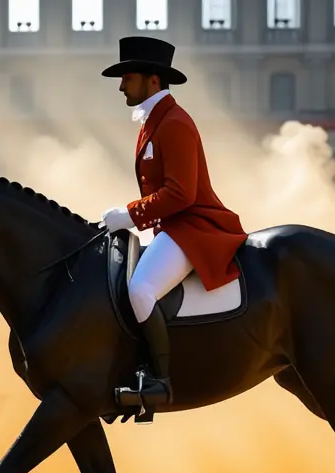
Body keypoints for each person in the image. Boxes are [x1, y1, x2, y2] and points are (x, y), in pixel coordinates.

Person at [99, 36, 247, 413]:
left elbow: (180, 194)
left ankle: (158, 381)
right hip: (171, 227)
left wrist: (130, 214)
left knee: (141, 289)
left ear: (152, 80)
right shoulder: (154, 122)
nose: (120, 87)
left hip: (193, 226)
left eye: (127, 78)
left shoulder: (175, 123)